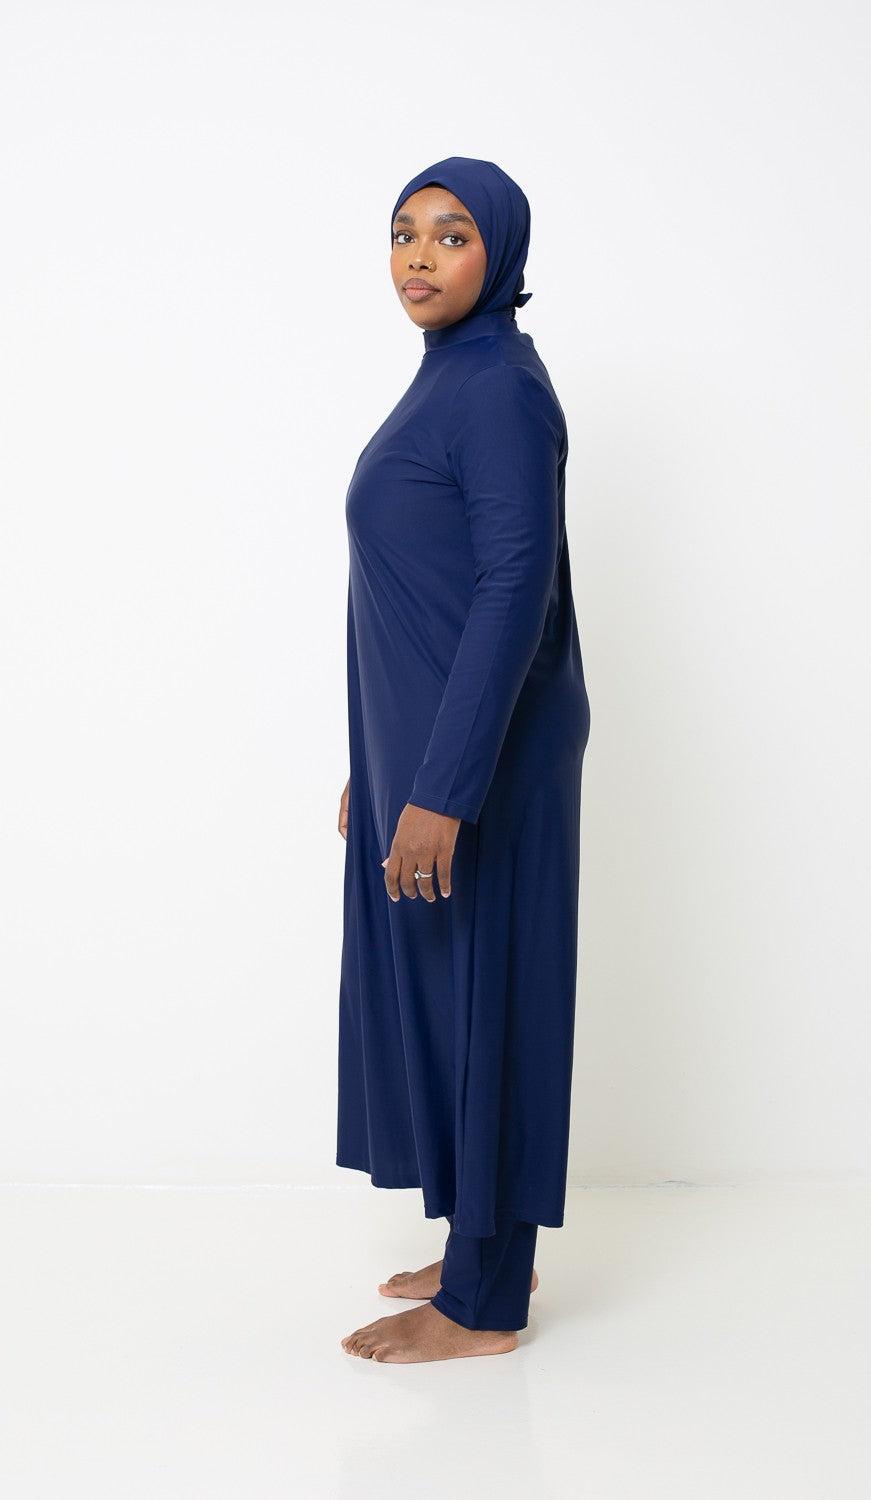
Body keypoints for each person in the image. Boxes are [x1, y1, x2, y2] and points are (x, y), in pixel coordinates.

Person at [336, 156, 590, 1363]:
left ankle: (484, 1305)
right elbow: (423, 586)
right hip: (434, 749)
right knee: (448, 999)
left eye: (451, 234)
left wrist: (441, 786)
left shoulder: (494, 387)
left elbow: (511, 589)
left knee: (489, 1000)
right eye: (403, 233)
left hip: (486, 760)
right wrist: (380, 763)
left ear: (502, 253)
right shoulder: (451, 375)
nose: (419, 257)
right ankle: (480, 1242)